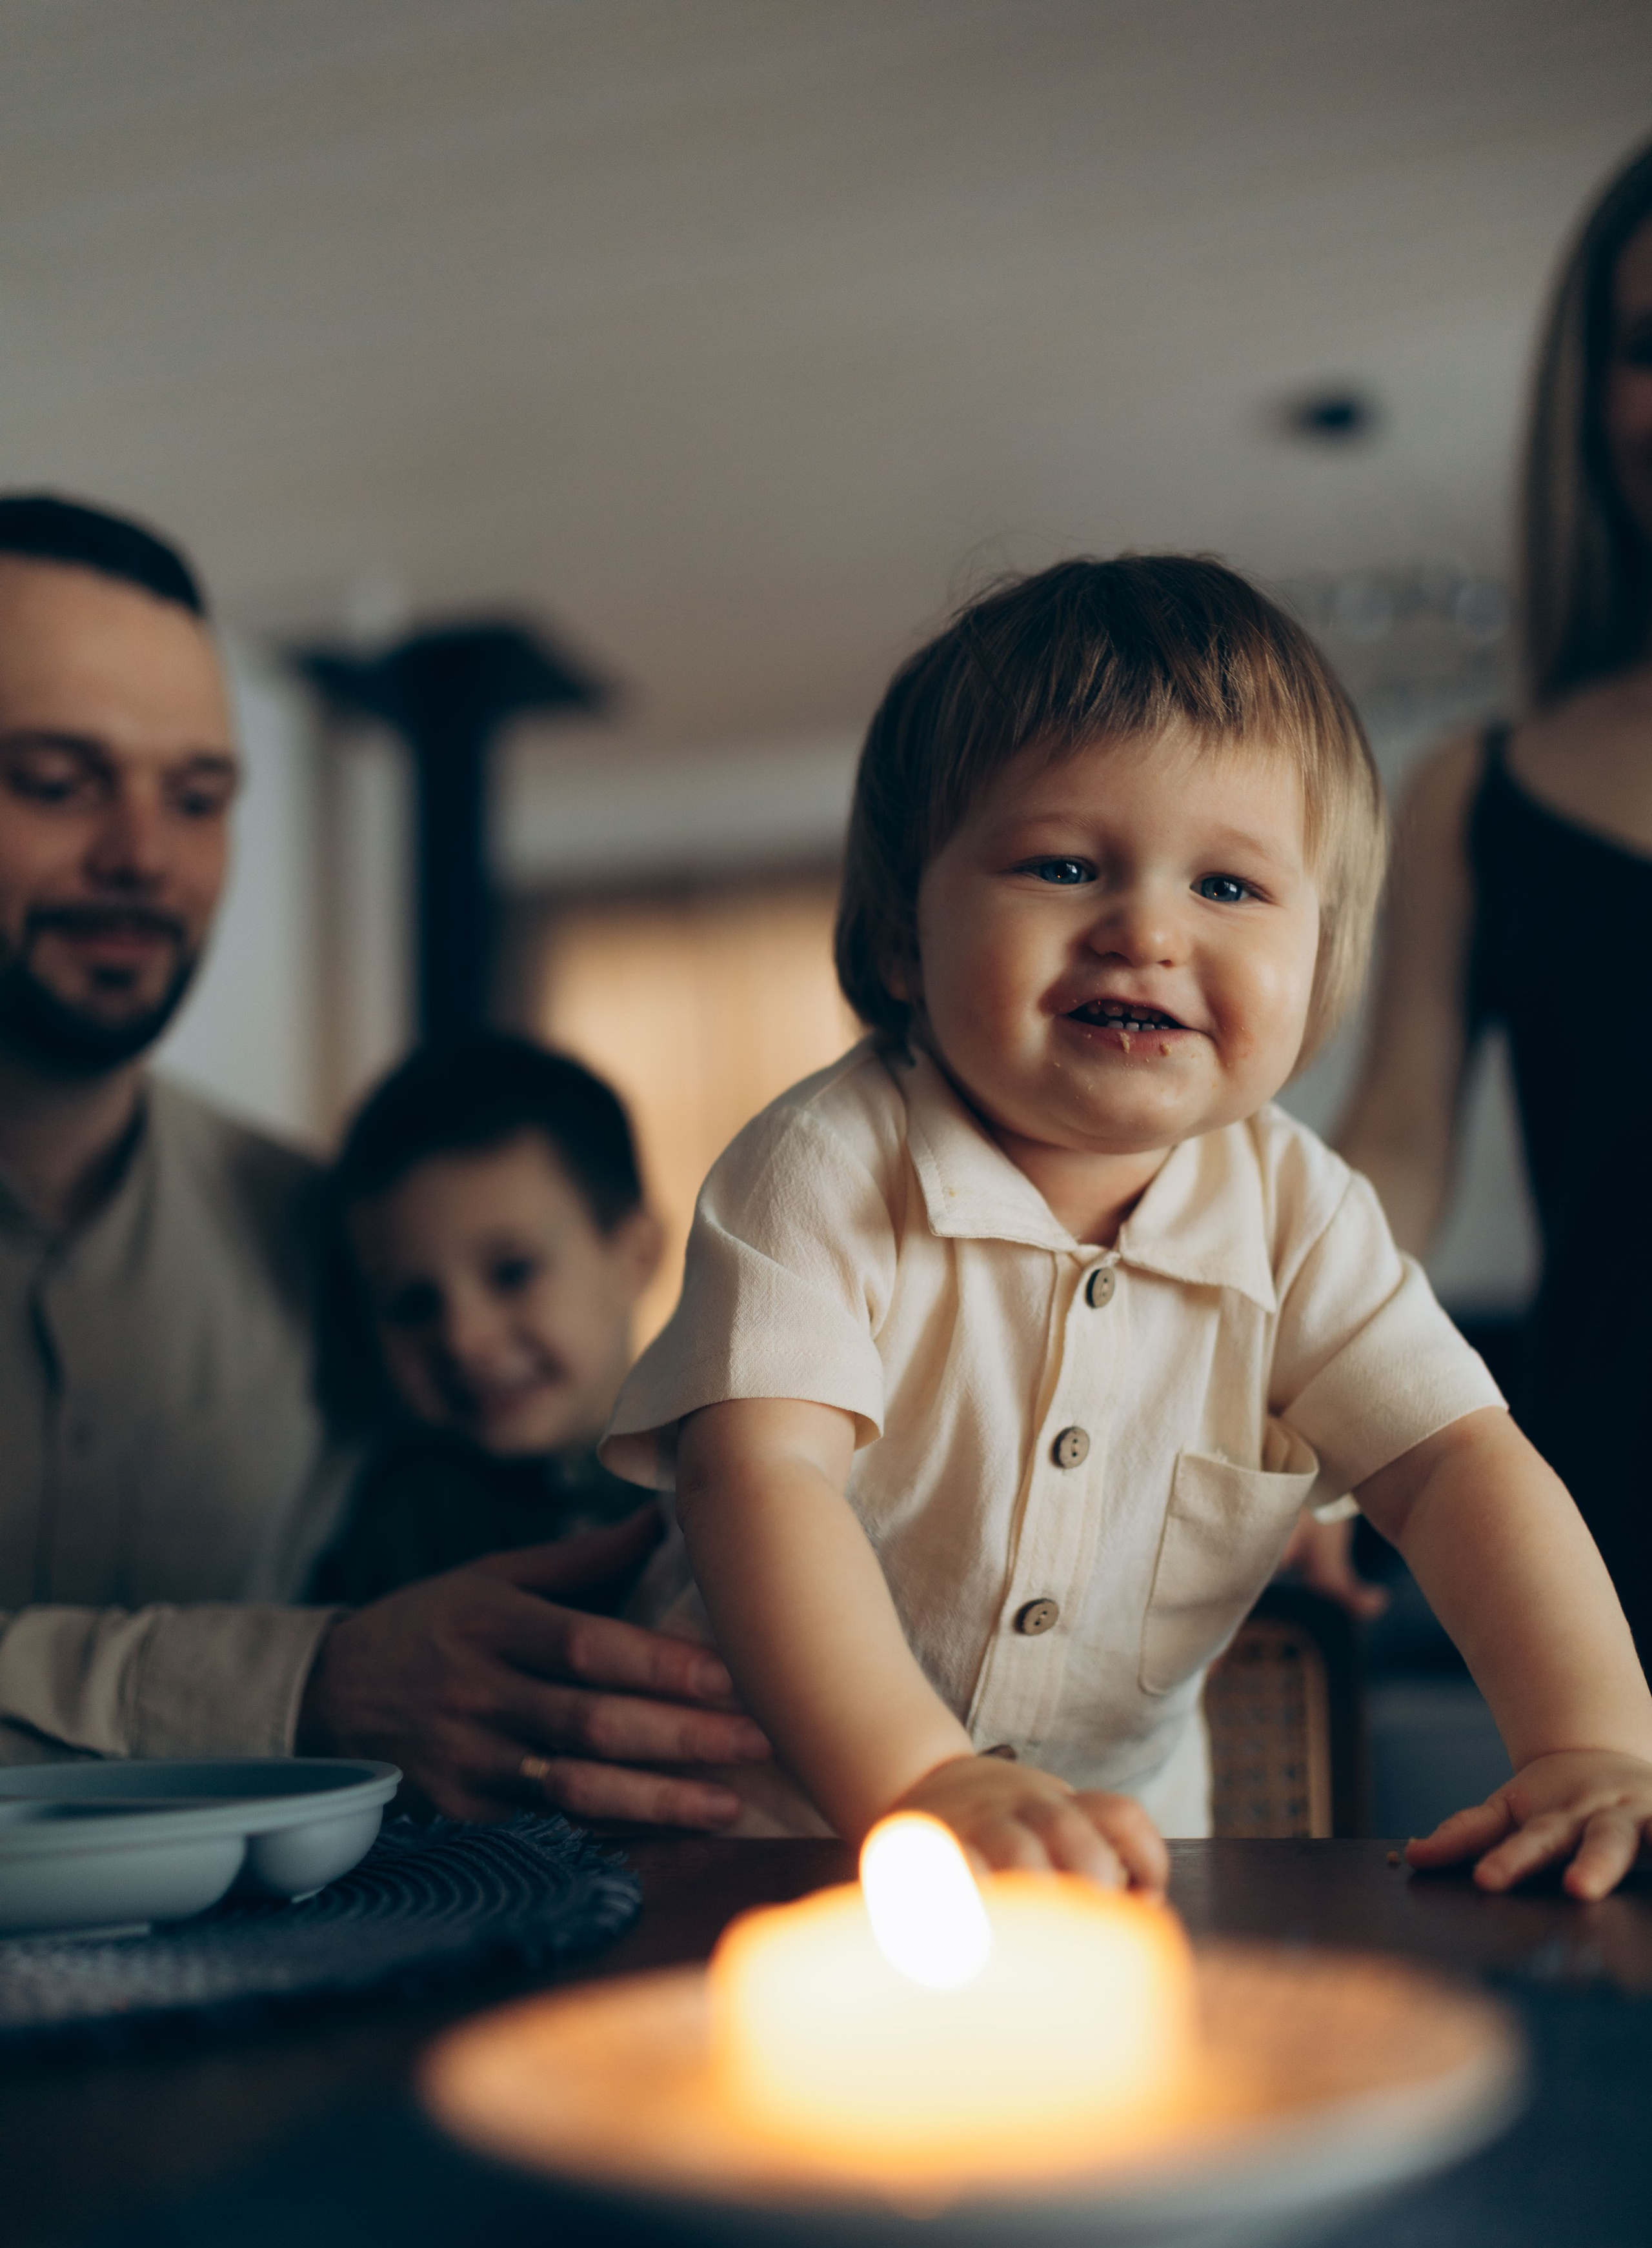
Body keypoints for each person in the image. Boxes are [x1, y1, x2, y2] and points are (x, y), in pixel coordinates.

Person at [603, 554, 1652, 1900]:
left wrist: (1590, 1738)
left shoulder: (1297, 1212)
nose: (1144, 931)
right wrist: (922, 1784)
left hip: (1114, 1858)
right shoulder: (819, 1166)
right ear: (899, 938)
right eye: (1061, 864)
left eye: (1227, 889)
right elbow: (761, 1479)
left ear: (1317, 966)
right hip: (755, 1842)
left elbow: (1454, 1468)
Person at [0, 490, 765, 1825]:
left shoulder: (312, 1233)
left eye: (197, 797)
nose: (141, 856)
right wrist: (294, 1687)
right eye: (56, 783)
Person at [1336, 135, 1652, 1669]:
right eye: (1647, 349)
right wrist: (1272, 1391)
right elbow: (1394, 1138)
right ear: (1588, 401)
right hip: (1615, 1479)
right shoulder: (1478, 788)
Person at [309, 1034, 662, 1603]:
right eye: (411, 1303)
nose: (462, 1340)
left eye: (513, 1272)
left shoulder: (731, 1467)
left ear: (635, 1256)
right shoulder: (400, 1526)